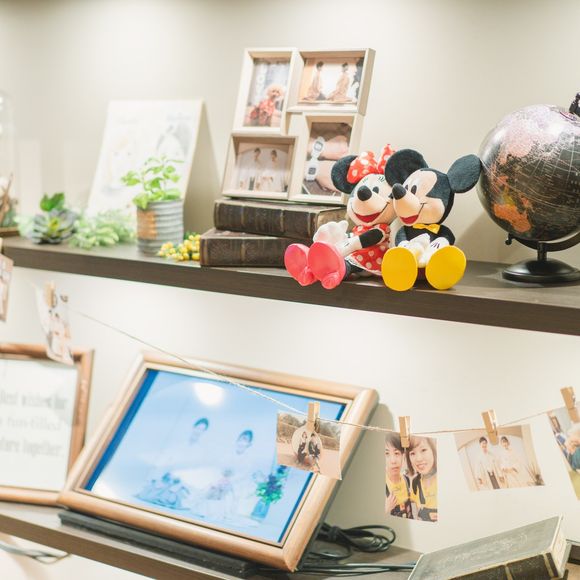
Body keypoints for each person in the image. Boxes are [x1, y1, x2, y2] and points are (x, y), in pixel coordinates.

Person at [407, 436, 438, 522]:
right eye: (412, 453)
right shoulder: (415, 482)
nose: (419, 459)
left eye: (423, 450)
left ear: (433, 450)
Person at [385, 433, 412, 518]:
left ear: (403, 456)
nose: (393, 461)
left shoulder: (406, 480)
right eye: (387, 454)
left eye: (396, 453)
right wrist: (386, 509)